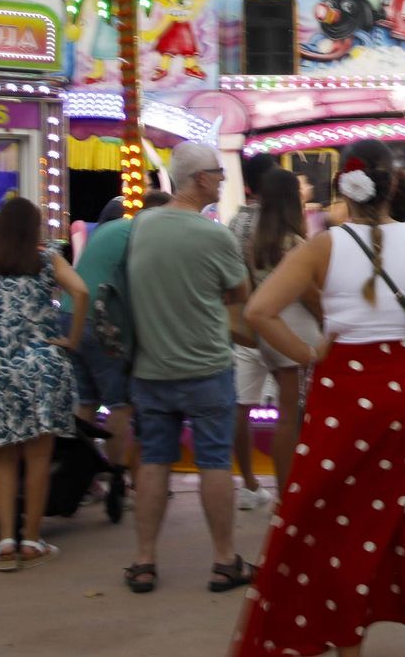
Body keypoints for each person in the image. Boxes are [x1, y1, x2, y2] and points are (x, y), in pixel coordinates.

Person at [234, 156, 405, 657]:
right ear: (391, 190)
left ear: (344, 193)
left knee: (339, 527)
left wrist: (308, 353)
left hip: (345, 397)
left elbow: (258, 311)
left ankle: (347, 645)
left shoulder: (323, 246)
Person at [123, 142, 253, 596]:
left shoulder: (142, 226)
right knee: (214, 461)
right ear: (200, 179)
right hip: (206, 366)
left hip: (151, 367)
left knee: (155, 461)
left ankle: (144, 560)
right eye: (217, 173)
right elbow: (241, 293)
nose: (221, 179)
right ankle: (223, 560)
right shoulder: (213, 235)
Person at [0, 197, 87, 570]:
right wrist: (71, 339)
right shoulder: (46, 261)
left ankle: (6, 542)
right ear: (33, 228)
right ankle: (33, 540)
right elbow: (82, 291)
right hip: (44, 368)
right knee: (38, 461)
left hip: (2, 371)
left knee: (5, 460)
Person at [65, 190, 171, 484]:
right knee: (120, 405)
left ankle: (80, 479)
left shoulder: (111, 228)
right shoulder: (142, 237)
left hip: (68, 315)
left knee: (86, 402)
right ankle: (116, 478)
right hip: (98, 321)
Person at [242, 167, 322, 498]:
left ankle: (285, 488)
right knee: (295, 417)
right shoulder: (295, 243)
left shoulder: (254, 243)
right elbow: (310, 294)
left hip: (270, 334)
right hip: (298, 329)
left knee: (285, 416)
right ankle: (291, 491)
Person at [227, 153, 279, 512]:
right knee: (291, 408)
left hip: (244, 323)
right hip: (280, 322)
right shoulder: (281, 223)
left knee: (241, 407)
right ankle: (289, 483)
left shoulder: (234, 223)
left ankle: (248, 484)